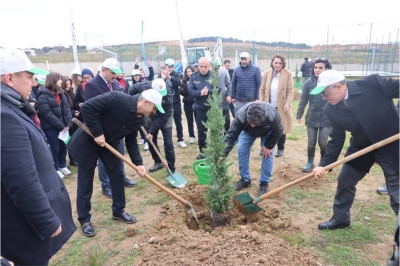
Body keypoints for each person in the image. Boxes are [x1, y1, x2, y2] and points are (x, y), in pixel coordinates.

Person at [1, 47, 76, 265]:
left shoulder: (11, 108)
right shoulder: (5, 116)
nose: (34, 83)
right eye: (30, 77)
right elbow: (21, 179)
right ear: (10, 78)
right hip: (23, 228)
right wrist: (46, 221)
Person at [67, 89, 164, 237]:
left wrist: (139, 163)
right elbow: (87, 107)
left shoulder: (139, 119)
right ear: (146, 102)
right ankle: (84, 219)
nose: (154, 112)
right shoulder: (117, 98)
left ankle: (118, 210)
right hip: (89, 140)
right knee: (86, 180)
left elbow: (131, 142)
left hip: (110, 146)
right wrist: (98, 132)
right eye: (154, 108)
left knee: (117, 174)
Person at [311, 70, 399, 230]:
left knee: (396, 192)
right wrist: (324, 164)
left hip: (391, 145)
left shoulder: (373, 84)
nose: (324, 98)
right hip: (362, 147)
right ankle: (340, 219)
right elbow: (336, 139)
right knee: (345, 181)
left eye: (325, 93)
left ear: (337, 86)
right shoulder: (330, 110)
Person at [84, 58, 137, 198]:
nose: (115, 76)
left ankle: (122, 177)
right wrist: (98, 132)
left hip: (117, 128)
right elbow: (90, 109)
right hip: (103, 131)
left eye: (116, 73)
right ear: (103, 70)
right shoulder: (92, 85)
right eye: (112, 72)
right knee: (104, 160)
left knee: (119, 156)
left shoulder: (115, 84)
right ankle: (105, 185)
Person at [223, 102, 283, 196]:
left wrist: (268, 145)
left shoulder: (272, 116)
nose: (253, 125)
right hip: (247, 132)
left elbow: (279, 131)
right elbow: (231, 135)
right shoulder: (241, 116)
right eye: (251, 122)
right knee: (241, 150)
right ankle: (245, 179)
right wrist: (222, 154)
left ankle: (264, 183)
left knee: (267, 154)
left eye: (255, 124)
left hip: (267, 132)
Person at [296, 58, 332, 173]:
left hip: (327, 117)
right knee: (311, 142)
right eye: (315, 67)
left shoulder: (331, 82)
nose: (317, 70)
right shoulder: (308, 83)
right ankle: (310, 162)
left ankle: (323, 163)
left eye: (321, 68)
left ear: (326, 69)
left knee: (323, 142)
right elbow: (303, 100)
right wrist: (299, 114)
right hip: (312, 116)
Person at [36, 72, 73, 179]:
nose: (61, 81)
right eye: (59, 79)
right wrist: (61, 126)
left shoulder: (62, 94)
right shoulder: (43, 96)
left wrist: (68, 124)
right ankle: (55, 168)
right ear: (53, 81)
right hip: (51, 128)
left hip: (64, 128)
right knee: (54, 149)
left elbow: (67, 109)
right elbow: (47, 114)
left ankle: (62, 165)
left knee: (63, 147)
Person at [259, 54, 294, 158]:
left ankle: (280, 148)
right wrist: (261, 103)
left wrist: (288, 103)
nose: (278, 65)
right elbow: (262, 89)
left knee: (281, 127)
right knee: (265, 127)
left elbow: (290, 90)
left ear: (283, 64)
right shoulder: (267, 73)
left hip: (281, 106)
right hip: (268, 105)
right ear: (272, 63)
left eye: (280, 63)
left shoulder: (287, 74)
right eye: (276, 63)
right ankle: (264, 147)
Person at [188, 57, 215, 159]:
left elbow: (219, 89)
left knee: (214, 130)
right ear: (198, 66)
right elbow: (190, 91)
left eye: (205, 66)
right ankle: (202, 152)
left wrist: (209, 91)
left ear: (209, 66)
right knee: (201, 131)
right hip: (200, 108)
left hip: (212, 108)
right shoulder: (193, 77)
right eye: (201, 66)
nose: (203, 69)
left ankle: (214, 150)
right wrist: (200, 93)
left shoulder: (213, 76)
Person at [165, 58, 187, 148]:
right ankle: (167, 140)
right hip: (166, 102)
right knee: (165, 122)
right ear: (165, 66)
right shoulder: (161, 75)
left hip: (176, 101)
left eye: (172, 67)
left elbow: (179, 83)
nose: (170, 68)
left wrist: (170, 77)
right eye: (168, 67)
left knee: (178, 121)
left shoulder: (176, 74)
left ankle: (180, 139)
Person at [62, 75, 79, 166]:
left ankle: (74, 158)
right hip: (67, 121)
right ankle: (70, 160)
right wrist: (72, 113)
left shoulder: (72, 93)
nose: (68, 86)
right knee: (68, 141)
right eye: (66, 84)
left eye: (69, 83)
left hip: (74, 121)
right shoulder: (62, 94)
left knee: (74, 140)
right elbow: (65, 109)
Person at [212, 57, 232, 133]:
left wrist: (229, 95)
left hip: (224, 99)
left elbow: (229, 84)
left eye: (219, 65)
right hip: (213, 99)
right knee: (215, 118)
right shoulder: (210, 72)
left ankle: (227, 135)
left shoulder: (224, 70)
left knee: (226, 119)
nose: (218, 67)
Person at [180, 65, 196, 144]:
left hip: (196, 103)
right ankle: (191, 136)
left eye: (190, 71)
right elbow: (182, 93)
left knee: (198, 121)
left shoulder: (196, 79)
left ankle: (201, 136)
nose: (189, 73)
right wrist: (187, 85)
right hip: (187, 103)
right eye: (187, 72)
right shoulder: (183, 81)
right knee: (190, 121)